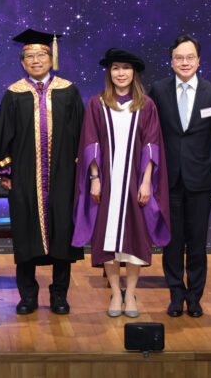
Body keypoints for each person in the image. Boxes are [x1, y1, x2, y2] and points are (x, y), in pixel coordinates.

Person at [0, 29, 84, 315]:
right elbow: (2, 135)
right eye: (29, 56)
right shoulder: (13, 93)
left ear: (51, 57)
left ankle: (59, 295)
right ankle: (27, 296)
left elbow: (82, 133)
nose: (35, 60)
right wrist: (5, 171)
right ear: (22, 62)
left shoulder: (68, 91)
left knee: (62, 233)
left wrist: (82, 171)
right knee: (24, 233)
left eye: (41, 55)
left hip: (63, 177)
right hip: (24, 177)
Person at [72, 48, 169, 318]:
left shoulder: (146, 105)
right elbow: (90, 142)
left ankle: (131, 292)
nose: (121, 73)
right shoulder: (97, 103)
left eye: (126, 68)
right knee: (109, 241)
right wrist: (94, 179)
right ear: (109, 72)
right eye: (115, 68)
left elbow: (152, 145)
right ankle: (115, 292)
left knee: (136, 240)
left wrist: (147, 181)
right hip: (107, 184)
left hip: (135, 182)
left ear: (133, 72)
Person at [148, 34, 211, 318]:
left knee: (197, 241)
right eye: (179, 57)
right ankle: (175, 295)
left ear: (198, 60)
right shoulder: (157, 90)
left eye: (190, 57)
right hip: (167, 180)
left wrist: (203, 158)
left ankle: (194, 297)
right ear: (171, 61)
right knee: (171, 241)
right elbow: (150, 132)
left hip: (200, 179)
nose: (185, 62)